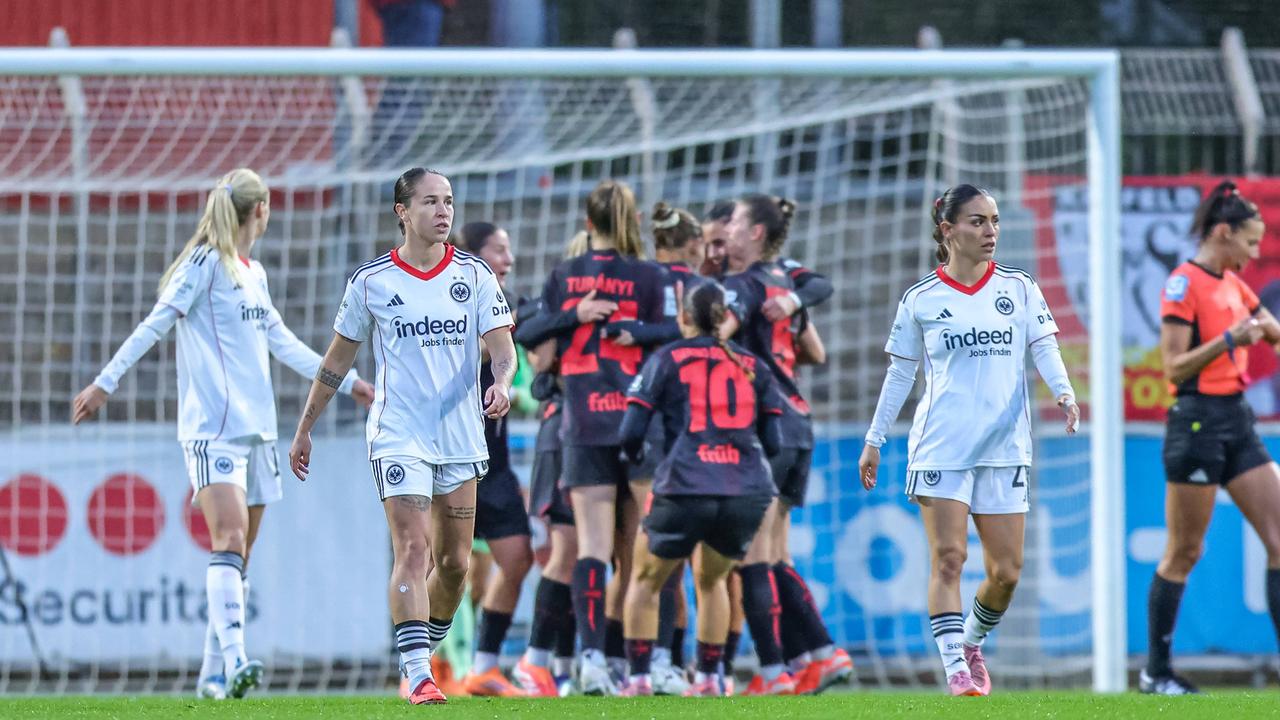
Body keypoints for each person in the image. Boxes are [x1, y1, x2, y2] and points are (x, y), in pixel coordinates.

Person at [71, 168, 374, 701]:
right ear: (262, 210)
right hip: (213, 433)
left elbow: (284, 343)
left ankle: (211, 676)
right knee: (228, 540)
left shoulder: (252, 274)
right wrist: (104, 383)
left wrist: (347, 382)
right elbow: (155, 323)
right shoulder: (203, 264)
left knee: (240, 557)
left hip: (260, 434)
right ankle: (235, 663)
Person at [287, 167, 517, 705]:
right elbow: (336, 362)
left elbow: (503, 350)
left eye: (449, 202)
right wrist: (304, 428)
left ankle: (418, 651)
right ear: (402, 212)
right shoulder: (371, 282)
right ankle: (418, 673)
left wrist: (503, 384)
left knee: (455, 566)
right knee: (413, 547)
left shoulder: (476, 276)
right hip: (398, 432)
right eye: (432, 202)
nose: (444, 212)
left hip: (461, 434)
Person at [857, 184, 1079, 697]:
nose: (991, 232)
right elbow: (899, 375)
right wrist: (875, 440)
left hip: (1004, 448)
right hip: (941, 447)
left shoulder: (1019, 288)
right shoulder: (921, 300)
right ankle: (955, 668)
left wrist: (1064, 394)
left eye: (995, 221)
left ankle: (972, 643)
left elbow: (1043, 345)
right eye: (977, 221)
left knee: (1006, 573)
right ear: (948, 230)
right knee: (950, 558)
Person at [1142, 180, 1280, 695]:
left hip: (1238, 421)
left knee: (1279, 539)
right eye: (1249, 241)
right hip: (1196, 423)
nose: (1254, 253)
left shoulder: (1232, 283)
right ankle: (1156, 673)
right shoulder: (1185, 282)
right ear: (1223, 233)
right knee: (1184, 550)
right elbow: (1173, 369)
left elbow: (1269, 329)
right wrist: (1228, 340)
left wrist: (1266, 329)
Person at [618, 281, 782, 697]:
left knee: (645, 579)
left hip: (685, 483)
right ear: (726, 318)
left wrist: (636, 458)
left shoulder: (667, 358)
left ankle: (637, 679)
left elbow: (631, 430)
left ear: (684, 317)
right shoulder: (751, 364)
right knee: (713, 582)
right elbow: (775, 441)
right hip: (745, 490)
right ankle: (711, 678)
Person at [537, 179, 666, 695]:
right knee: (644, 548)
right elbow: (677, 334)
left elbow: (532, 333)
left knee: (591, 548)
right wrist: (638, 330)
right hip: (638, 424)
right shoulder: (649, 276)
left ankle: (589, 659)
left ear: (588, 224)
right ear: (633, 222)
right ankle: (639, 662)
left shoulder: (563, 275)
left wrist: (573, 316)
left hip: (584, 421)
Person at [721, 194, 851, 695]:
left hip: (765, 424)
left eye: (734, 222)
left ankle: (775, 672)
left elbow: (716, 332)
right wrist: (793, 309)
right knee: (776, 555)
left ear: (755, 232)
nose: (728, 231)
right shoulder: (783, 279)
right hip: (798, 422)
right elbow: (815, 349)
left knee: (752, 556)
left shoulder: (745, 284)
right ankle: (820, 652)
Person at [452, 222, 536, 698]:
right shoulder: (455, 304)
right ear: (474, 256)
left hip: (496, 463)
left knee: (518, 558)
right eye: (498, 250)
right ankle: (426, 666)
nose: (508, 258)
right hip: (454, 460)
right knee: (448, 568)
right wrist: (496, 336)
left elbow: (518, 366)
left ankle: (483, 666)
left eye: (508, 249)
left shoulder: (512, 308)